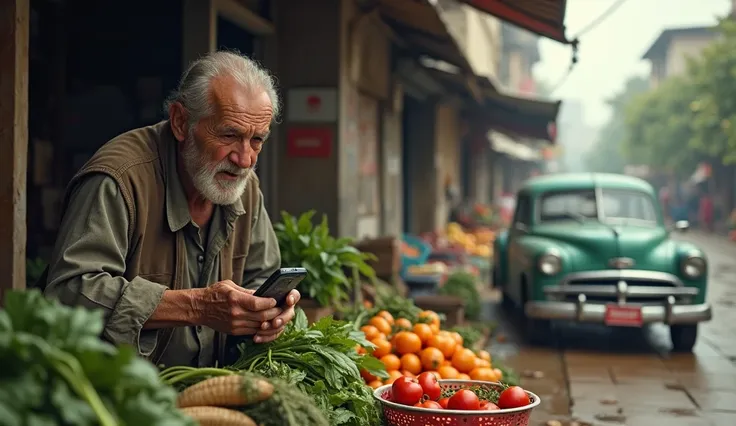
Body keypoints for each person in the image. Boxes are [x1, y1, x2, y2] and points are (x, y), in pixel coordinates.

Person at [43, 51, 300, 368]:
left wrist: (270, 312)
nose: (245, 159)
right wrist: (198, 307)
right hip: (113, 393)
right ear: (181, 122)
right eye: (230, 134)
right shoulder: (120, 178)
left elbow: (260, 277)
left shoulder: (244, 187)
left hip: (207, 392)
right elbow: (69, 293)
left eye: (257, 139)